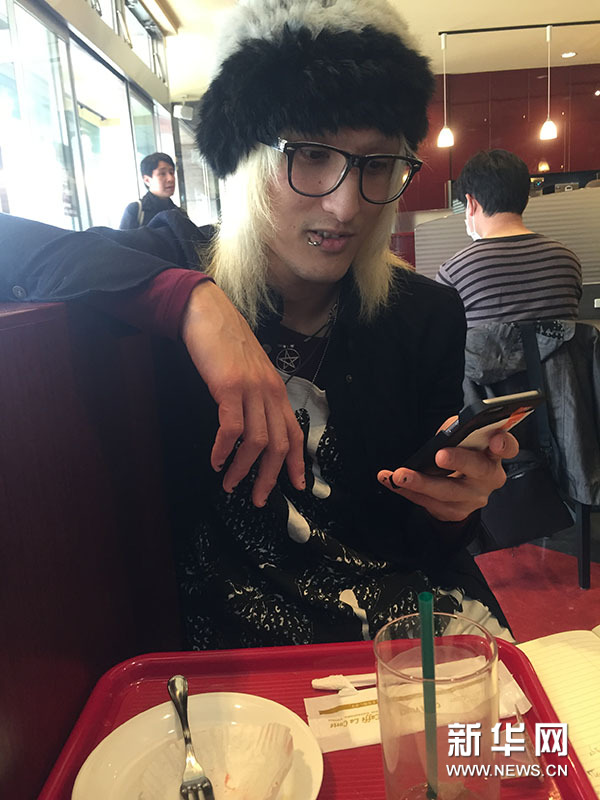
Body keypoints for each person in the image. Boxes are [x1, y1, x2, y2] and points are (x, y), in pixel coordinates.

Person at [0, 0, 519, 648]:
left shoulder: (424, 314)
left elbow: (419, 543)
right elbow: (13, 247)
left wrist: (454, 508)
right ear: (245, 158)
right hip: (228, 655)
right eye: (310, 154)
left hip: (393, 631)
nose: (345, 205)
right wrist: (194, 304)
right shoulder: (174, 262)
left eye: (375, 164)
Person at [436, 149, 582, 327]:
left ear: (471, 203)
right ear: (525, 199)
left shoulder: (454, 272)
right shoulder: (567, 261)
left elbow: (445, 338)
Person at [120, 152, 181, 229]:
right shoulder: (136, 210)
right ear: (147, 180)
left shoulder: (179, 213)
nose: (170, 179)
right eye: (162, 173)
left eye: (171, 173)